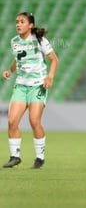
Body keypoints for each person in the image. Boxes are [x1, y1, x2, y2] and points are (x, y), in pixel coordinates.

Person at [2, 12, 59, 169]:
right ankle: (15, 156)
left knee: (34, 121)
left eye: (22, 21)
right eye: (17, 22)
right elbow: (18, 58)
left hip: (37, 85)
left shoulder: (40, 40)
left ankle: (40, 157)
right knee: (12, 121)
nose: (18, 24)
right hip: (21, 85)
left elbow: (54, 59)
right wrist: (10, 70)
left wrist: (50, 77)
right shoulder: (14, 41)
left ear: (31, 25)